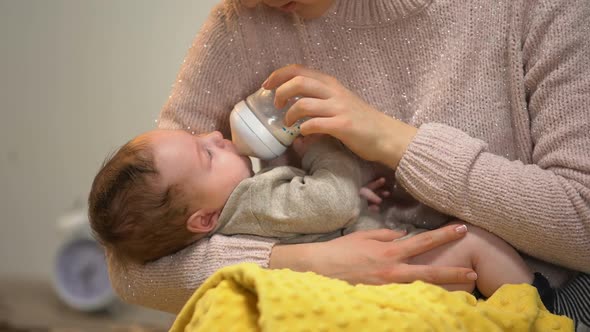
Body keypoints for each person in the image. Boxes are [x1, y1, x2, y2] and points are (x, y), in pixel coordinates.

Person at [105, 0, 590, 328]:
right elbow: (134, 262)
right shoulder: (243, 22)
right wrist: (306, 265)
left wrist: (392, 141)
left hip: (535, 298)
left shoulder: (531, 11)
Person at [91, 128, 555, 303]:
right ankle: (543, 309)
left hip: (367, 270)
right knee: (470, 242)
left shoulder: (239, 215)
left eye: (203, 137)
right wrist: (326, 152)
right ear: (204, 221)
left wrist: (352, 196)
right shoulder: (253, 201)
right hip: (384, 276)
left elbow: (320, 213)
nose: (217, 135)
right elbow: (328, 202)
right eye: (207, 154)